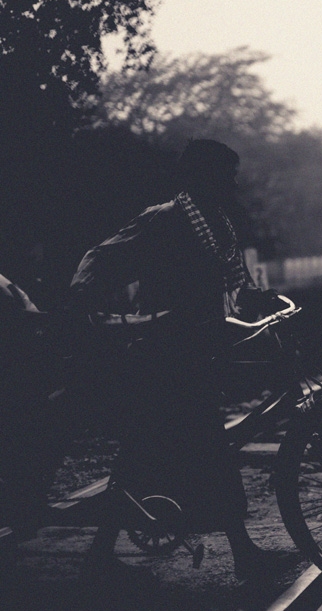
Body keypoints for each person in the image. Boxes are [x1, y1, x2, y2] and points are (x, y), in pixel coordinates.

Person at [69, 139, 281, 584]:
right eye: (226, 174)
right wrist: (85, 308)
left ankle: (100, 555)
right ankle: (243, 555)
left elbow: (231, 282)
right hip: (162, 359)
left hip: (194, 353)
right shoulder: (163, 219)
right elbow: (100, 258)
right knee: (201, 453)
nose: (233, 183)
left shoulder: (216, 223)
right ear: (202, 177)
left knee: (143, 457)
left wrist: (258, 301)